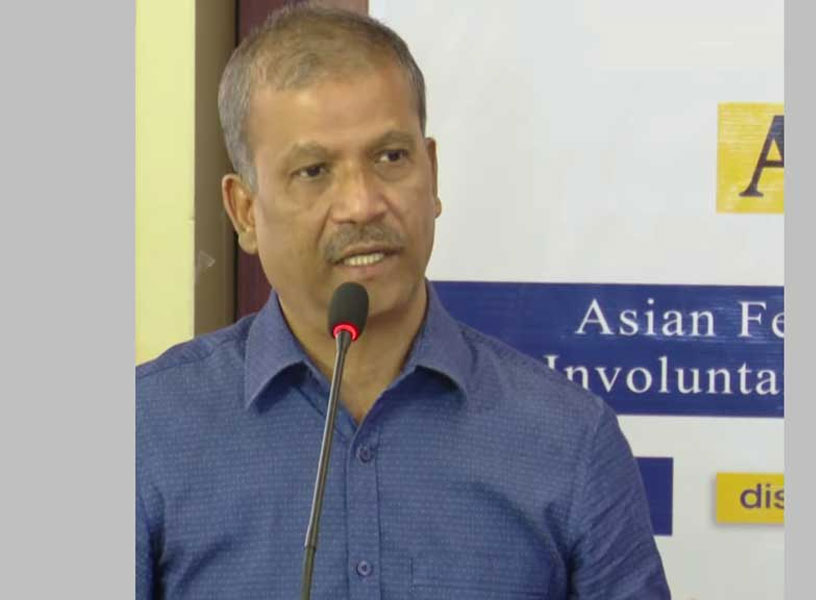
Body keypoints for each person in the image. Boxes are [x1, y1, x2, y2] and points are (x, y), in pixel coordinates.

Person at [137, 5, 670, 599]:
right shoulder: (146, 429)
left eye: (391, 157)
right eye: (314, 171)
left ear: (432, 174)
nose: (362, 204)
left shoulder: (569, 439)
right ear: (244, 212)